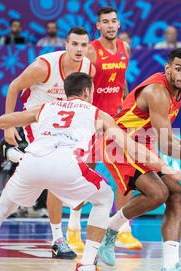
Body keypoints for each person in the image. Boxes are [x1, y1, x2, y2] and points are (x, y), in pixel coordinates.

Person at [0, 72, 181, 271]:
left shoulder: (46, 107)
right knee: (105, 197)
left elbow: (1, 121)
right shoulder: (97, 112)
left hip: (33, 161)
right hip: (67, 163)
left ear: (66, 92)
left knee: (1, 209)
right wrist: (169, 169)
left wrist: (19, 129)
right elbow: (131, 147)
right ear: (87, 92)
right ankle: (86, 265)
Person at [97, 48, 181, 271]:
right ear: (167, 69)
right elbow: (166, 145)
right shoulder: (157, 92)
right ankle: (111, 231)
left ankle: (170, 269)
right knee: (157, 193)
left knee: (177, 194)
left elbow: (166, 135)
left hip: (142, 145)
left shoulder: (176, 93)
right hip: (119, 145)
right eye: (178, 68)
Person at [0, 27, 96, 259]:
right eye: (75, 44)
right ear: (66, 44)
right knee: (56, 173)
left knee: (59, 174)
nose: (80, 49)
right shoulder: (44, 66)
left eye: (84, 45)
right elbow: (14, 87)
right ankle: (58, 239)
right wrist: (10, 126)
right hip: (38, 117)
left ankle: (12, 154)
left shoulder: (88, 67)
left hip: (64, 122)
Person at [65, 7, 141, 252]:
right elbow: (80, 86)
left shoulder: (124, 48)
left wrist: (127, 103)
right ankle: (73, 229)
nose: (111, 25)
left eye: (114, 21)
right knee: (84, 176)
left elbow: (122, 81)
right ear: (98, 26)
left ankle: (122, 229)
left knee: (125, 176)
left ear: (119, 24)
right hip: (92, 121)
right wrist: (85, 118)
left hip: (116, 121)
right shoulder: (91, 52)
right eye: (105, 22)